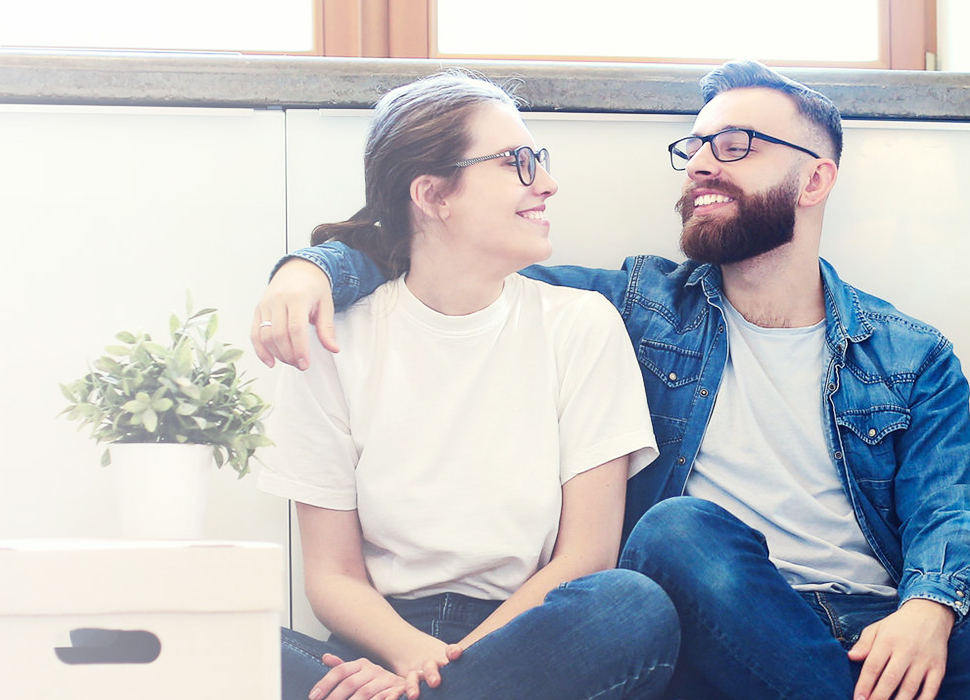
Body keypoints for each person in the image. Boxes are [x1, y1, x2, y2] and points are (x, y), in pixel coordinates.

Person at [250, 60, 970, 700]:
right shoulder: (633, 306)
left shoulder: (910, 353)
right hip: (728, 619)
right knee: (677, 533)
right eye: (697, 146)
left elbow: (952, 511)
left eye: (737, 144)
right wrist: (314, 268)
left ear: (815, 178)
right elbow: (445, 267)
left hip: (882, 634)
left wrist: (929, 609)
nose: (704, 162)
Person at [257, 70, 680, 700]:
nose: (547, 183)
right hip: (377, 647)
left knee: (631, 606)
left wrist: (437, 675)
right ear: (433, 195)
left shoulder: (582, 325)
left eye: (539, 159)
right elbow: (333, 576)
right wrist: (412, 658)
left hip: (525, 642)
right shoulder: (333, 339)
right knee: (202, 637)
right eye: (517, 162)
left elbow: (586, 557)